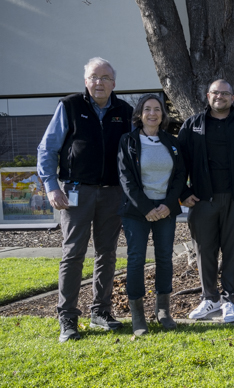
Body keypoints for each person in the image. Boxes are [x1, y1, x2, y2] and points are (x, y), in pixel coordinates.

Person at [37, 57, 134, 342]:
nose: (99, 82)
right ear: (85, 81)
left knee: (107, 253)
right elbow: (47, 148)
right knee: (73, 254)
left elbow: (131, 155)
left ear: (114, 83)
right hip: (76, 191)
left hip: (112, 192)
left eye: (105, 78)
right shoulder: (69, 106)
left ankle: (100, 312)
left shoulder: (124, 111)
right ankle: (67, 318)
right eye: (94, 77)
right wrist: (52, 186)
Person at [117, 93, 187, 336]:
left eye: (157, 109)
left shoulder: (172, 142)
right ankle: (137, 315)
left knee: (165, 258)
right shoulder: (128, 141)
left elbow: (180, 176)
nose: (153, 113)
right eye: (147, 109)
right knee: (136, 259)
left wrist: (168, 204)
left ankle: (163, 310)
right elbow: (126, 178)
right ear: (140, 113)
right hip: (137, 210)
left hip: (166, 209)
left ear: (163, 114)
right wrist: (146, 208)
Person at [178, 79, 234, 323]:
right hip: (202, 199)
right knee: (204, 251)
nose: (220, 97)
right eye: (215, 93)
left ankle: (229, 300)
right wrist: (183, 193)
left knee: (233, 251)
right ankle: (210, 299)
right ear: (208, 96)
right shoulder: (192, 125)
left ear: (232, 98)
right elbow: (179, 162)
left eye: (225, 93)